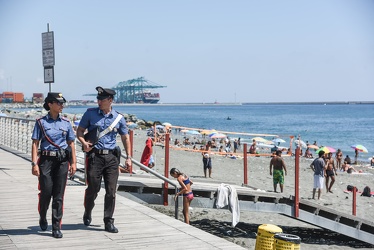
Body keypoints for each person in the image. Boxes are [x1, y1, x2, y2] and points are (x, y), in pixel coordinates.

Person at [76, 86, 132, 233]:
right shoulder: (90, 114)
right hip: (95, 156)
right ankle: (88, 211)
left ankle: (108, 221)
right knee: (93, 189)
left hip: (112, 158)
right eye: (98, 99)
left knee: (111, 191)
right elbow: (80, 131)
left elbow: (125, 137)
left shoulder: (118, 118)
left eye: (101, 99)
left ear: (110, 100)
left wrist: (129, 158)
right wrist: (83, 142)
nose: (98, 101)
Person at [31, 92, 77, 238]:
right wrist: (34, 164)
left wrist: (74, 162)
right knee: (46, 192)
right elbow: (35, 143)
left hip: (62, 161)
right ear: (50, 104)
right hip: (46, 161)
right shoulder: (40, 122)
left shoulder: (66, 122)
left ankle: (56, 226)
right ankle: (43, 216)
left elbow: (71, 143)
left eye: (62, 103)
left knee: (58, 195)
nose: (61, 105)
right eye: (58, 103)